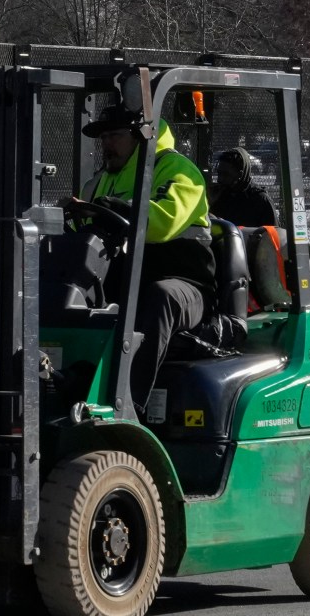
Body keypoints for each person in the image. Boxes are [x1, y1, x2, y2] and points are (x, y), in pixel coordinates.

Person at [64, 103, 214, 404]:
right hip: (128, 279)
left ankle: (127, 405)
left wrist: (115, 208)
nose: (107, 144)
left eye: (115, 136)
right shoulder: (103, 179)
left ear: (141, 136)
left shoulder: (177, 171)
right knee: (69, 290)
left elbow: (161, 223)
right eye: (103, 137)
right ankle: (63, 384)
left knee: (160, 297)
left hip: (185, 285)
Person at [209, 147, 278, 230]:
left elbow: (272, 234)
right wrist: (209, 204)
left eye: (226, 175)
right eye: (219, 173)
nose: (220, 179)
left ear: (240, 174)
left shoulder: (259, 199)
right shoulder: (218, 195)